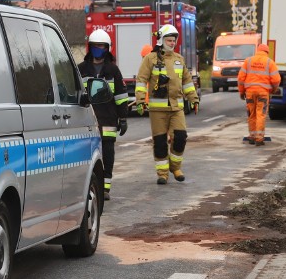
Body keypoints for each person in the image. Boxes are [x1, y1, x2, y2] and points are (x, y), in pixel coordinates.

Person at [135, 24, 199, 185]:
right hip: (157, 110)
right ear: (161, 40)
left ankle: (175, 167)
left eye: (173, 40)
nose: (172, 43)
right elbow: (141, 80)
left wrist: (194, 99)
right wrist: (141, 100)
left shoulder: (179, 59)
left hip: (177, 108)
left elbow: (187, 81)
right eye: (169, 40)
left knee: (180, 137)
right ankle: (162, 173)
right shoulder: (150, 59)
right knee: (160, 142)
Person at [78, 29, 129, 200]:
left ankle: (105, 187)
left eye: (101, 46)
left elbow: (121, 97)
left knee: (107, 152)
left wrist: (123, 118)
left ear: (107, 48)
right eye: (95, 46)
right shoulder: (81, 69)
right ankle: (88, 186)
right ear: (90, 47)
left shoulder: (113, 70)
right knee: (86, 154)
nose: (98, 49)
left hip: (107, 119)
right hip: (86, 119)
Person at [237, 43, 281, 146]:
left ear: (257, 51)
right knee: (260, 114)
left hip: (250, 92)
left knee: (252, 114)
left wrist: (241, 91)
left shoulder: (248, 61)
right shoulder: (269, 62)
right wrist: (274, 89)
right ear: (266, 52)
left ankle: (252, 136)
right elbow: (276, 79)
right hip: (263, 92)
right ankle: (259, 138)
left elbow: (240, 78)